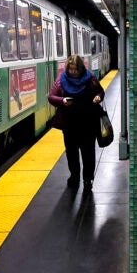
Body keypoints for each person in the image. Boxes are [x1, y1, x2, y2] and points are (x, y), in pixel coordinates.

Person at [48, 54, 105, 190]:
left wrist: (98, 97)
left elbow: (100, 92)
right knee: (71, 152)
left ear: (81, 69)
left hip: (88, 122)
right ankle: (74, 176)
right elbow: (51, 97)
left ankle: (87, 179)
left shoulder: (90, 77)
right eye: (71, 69)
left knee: (88, 152)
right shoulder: (62, 79)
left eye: (75, 70)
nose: (73, 72)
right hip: (69, 124)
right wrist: (62, 101)